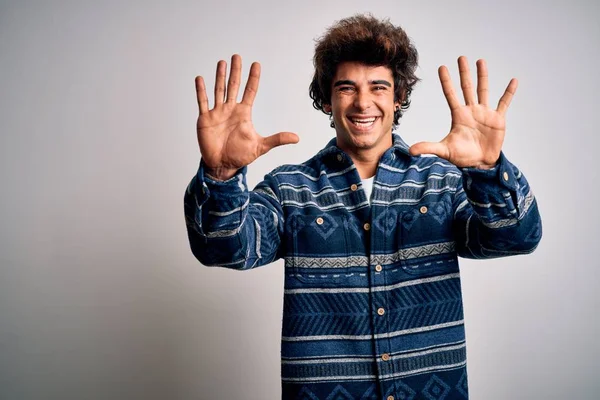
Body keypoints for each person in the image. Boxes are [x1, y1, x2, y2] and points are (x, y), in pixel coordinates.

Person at [184, 14, 542, 400]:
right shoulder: (289, 189)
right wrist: (220, 175)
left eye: (378, 87)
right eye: (346, 88)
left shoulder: (441, 181)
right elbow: (224, 248)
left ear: (399, 96)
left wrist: (488, 171)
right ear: (326, 98)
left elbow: (516, 238)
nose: (363, 102)